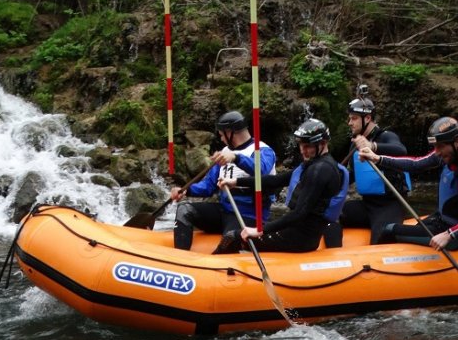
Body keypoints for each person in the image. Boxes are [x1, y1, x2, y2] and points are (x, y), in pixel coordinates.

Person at [358, 116, 458, 251]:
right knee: (413, 230)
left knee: (389, 230)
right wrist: (377, 158)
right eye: (435, 147)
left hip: (454, 236)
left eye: (440, 147)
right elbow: (415, 164)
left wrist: (448, 235)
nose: (437, 152)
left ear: (457, 141)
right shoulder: (446, 156)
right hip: (440, 221)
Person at [217, 118, 349, 253]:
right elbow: (276, 180)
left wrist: (261, 230)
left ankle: (213, 267)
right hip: (295, 231)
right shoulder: (312, 164)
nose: (303, 151)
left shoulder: (320, 170)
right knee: (238, 234)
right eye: (301, 145)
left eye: (307, 146)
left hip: (300, 239)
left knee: (233, 237)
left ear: (323, 143)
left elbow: (299, 213)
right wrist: (236, 182)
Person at [171, 110, 276, 252]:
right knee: (185, 210)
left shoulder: (263, 151)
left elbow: (261, 169)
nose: (221, 139)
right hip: (224, 211)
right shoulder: (224, 152)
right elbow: (208, 186)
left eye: (221, 135)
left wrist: (236, 158)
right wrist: (186, 190)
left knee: (230, 238)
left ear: (230, 132)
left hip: (248, 216)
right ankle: (179, 257)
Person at [325, 95, 411, 246]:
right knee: (329, 214)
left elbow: (401, 150)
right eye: (349, 118)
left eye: (354, 118)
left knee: (381, 240)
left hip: (389, 205)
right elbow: (351, 176)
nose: (349, 123)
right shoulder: (354, 145)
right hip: (367, 205)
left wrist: (373, 147)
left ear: (368, 118)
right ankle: (335, 256)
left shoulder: (386, 137)